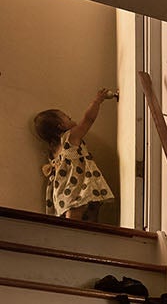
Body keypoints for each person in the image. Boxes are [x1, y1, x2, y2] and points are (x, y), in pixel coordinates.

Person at [34, 89, 119, 220]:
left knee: (87, 213)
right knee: (76, 212)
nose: (71, 118)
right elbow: (88, 120)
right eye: (68, 118)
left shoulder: (53, 152)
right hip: (75, 188)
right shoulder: (69, 137)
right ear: (61, 125)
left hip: (63, 193)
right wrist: (98, 100)